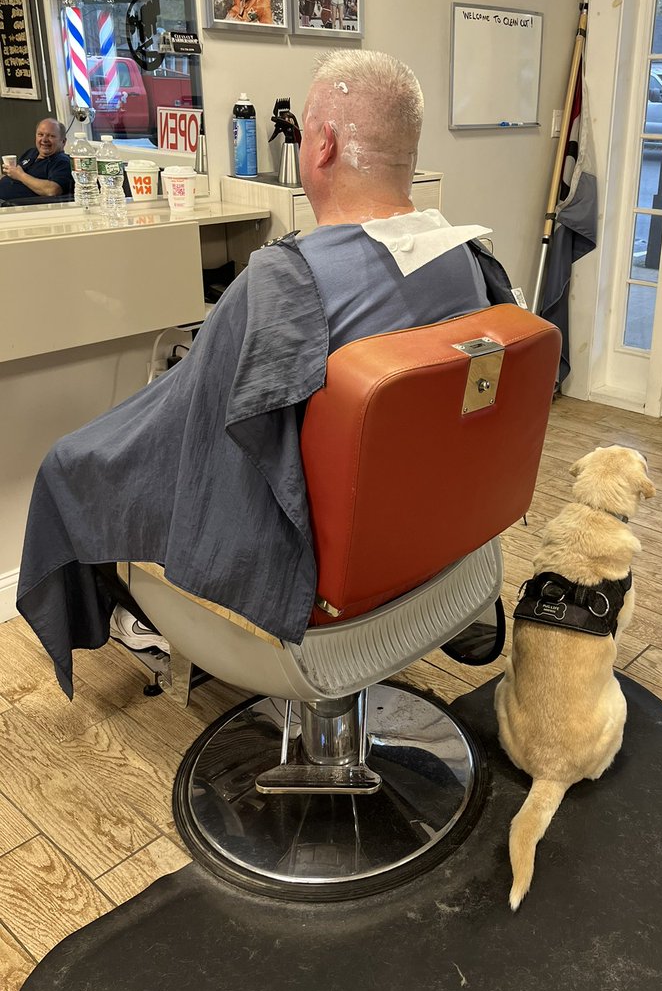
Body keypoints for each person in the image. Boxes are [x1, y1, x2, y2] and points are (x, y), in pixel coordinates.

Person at [17, 51, 515, 693]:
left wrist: (71, 467)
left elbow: (179, 434)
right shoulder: (468, 261)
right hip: (434, 550)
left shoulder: (285, 283)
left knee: (71, 465)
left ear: (325, 145)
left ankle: (139, 619)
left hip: (321, 584)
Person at [0, 118, 74, 204]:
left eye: (51, 136)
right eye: (40, 134)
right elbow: (14, 176)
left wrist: (20, 175)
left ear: (63, 142)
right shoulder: (31, 152)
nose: (44, 140)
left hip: (16, 208)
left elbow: (52, 190)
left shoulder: (62, 161)